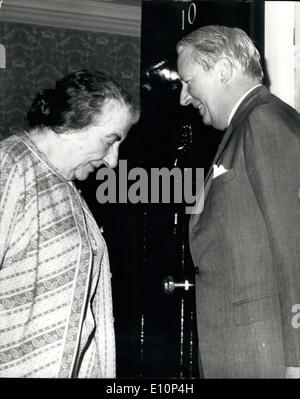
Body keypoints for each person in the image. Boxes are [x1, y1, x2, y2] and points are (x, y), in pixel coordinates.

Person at [176, 25, 300, 378]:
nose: (183, 97)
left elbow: (296, 249)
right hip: (243, 349)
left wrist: (297, 360)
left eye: (189, 81)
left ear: (224, 70)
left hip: (265, 356)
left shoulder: (264, 121)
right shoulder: (244, 126)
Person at [0, 70, 139, 377]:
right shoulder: (9, 166)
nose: (113, 161)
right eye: (110, 141)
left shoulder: (65, 185)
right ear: (74, 122)